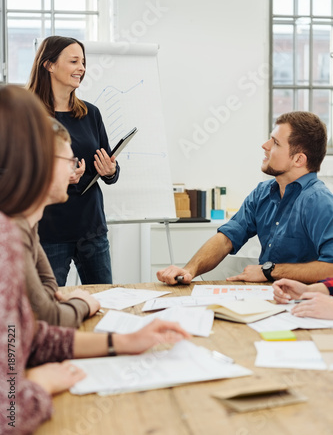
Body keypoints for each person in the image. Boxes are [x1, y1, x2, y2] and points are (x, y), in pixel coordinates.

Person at [0, 85, 190, 435]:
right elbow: (7, 413)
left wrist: (123, 342)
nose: (76, 168)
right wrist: (38, 385)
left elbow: (29, 334)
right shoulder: (6, 239)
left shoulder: (20, 229)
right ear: (35, 160)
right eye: (68, 159)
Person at [157, 111, 333, 285]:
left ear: (298, 159)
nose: (265, 145)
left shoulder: (319, 201)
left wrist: (269, 271)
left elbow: (330, 268)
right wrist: (189, 270)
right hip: (267, 297)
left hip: (304, 305)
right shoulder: (262, 192)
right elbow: (226, 239)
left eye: (276, 143)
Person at [27, 35, 120, 286]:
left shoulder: (90, 113)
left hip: (92, 229)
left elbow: (111, 169)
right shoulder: (28, 114)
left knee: (104, 301)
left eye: (83, 62)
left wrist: (109, 170)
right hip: (49, 232)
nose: (82, 68)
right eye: (74, 61)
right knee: (48, 307)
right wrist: (55, 177)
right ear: (49, 65)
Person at [13, 119, 100, 327]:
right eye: (69, 161)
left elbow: (50, 288)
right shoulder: (13, 230)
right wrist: (82, 303)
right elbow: (48, 316)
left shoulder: (28, 223)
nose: (74, 172)